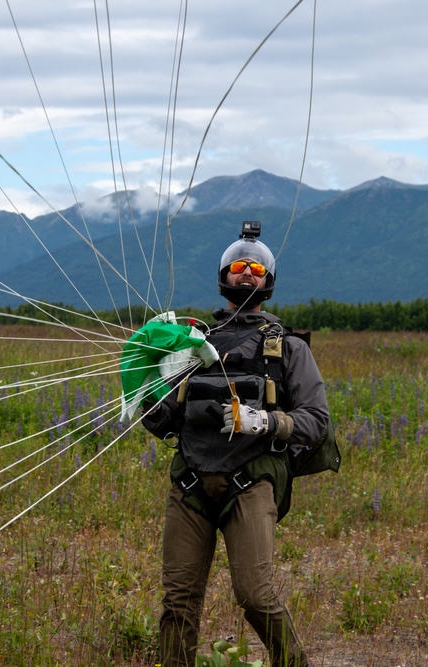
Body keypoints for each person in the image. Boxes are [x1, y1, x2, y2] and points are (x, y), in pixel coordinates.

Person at [140, 221, 332, 667]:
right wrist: (142, 388)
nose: (248, 273)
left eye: (257, 269)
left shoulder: (287, 348)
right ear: (223, 276)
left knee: (255, 595)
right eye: (239, 266)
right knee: (178, 601)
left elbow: (316, 422)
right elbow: (168, 420)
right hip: (189, 483)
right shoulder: (191, 343)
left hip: (252, 481)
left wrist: (264, 421)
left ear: (268, 282)